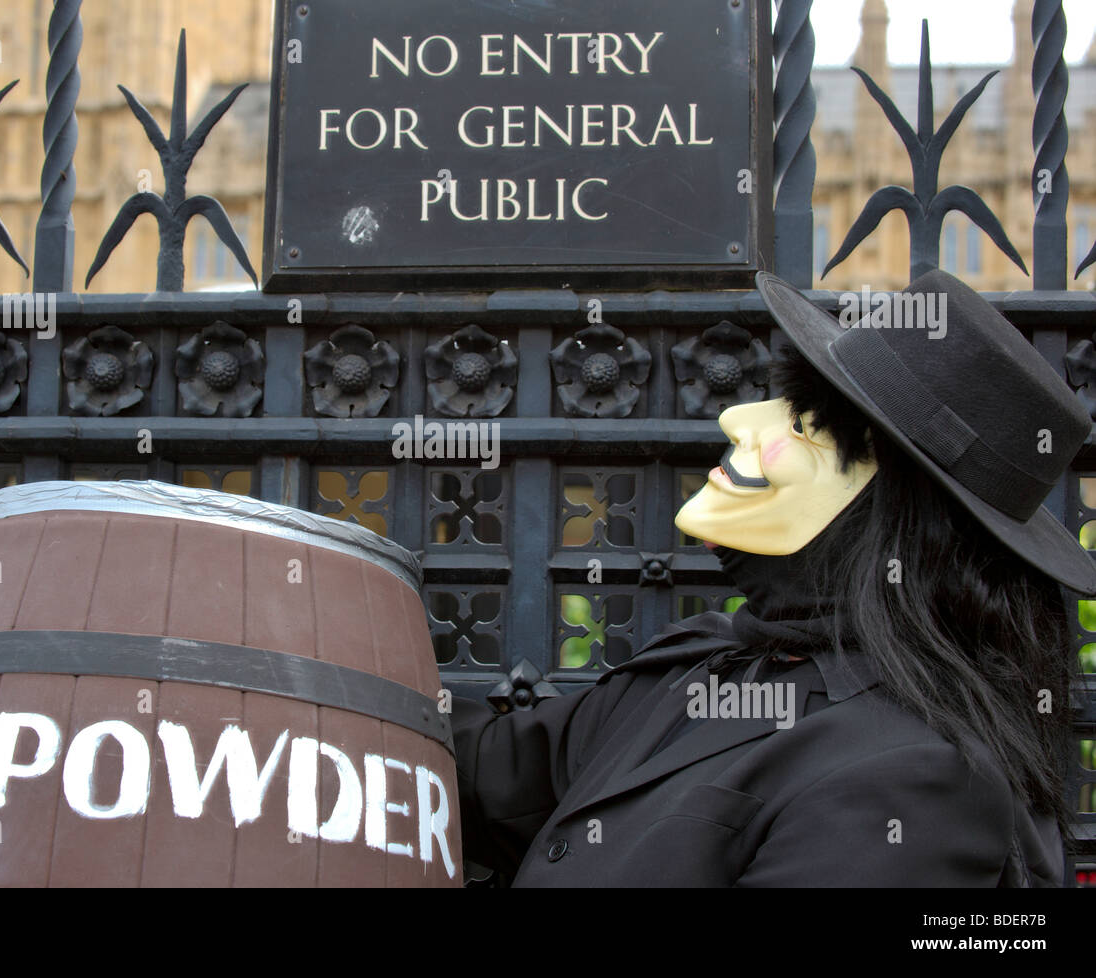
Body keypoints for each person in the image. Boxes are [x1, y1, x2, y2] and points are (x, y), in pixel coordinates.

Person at [449, 269, 1094, 886]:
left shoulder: (921, 780)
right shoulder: (704, 663)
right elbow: (481, 775)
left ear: (895, 514)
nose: (739, 421)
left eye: (805, 426)